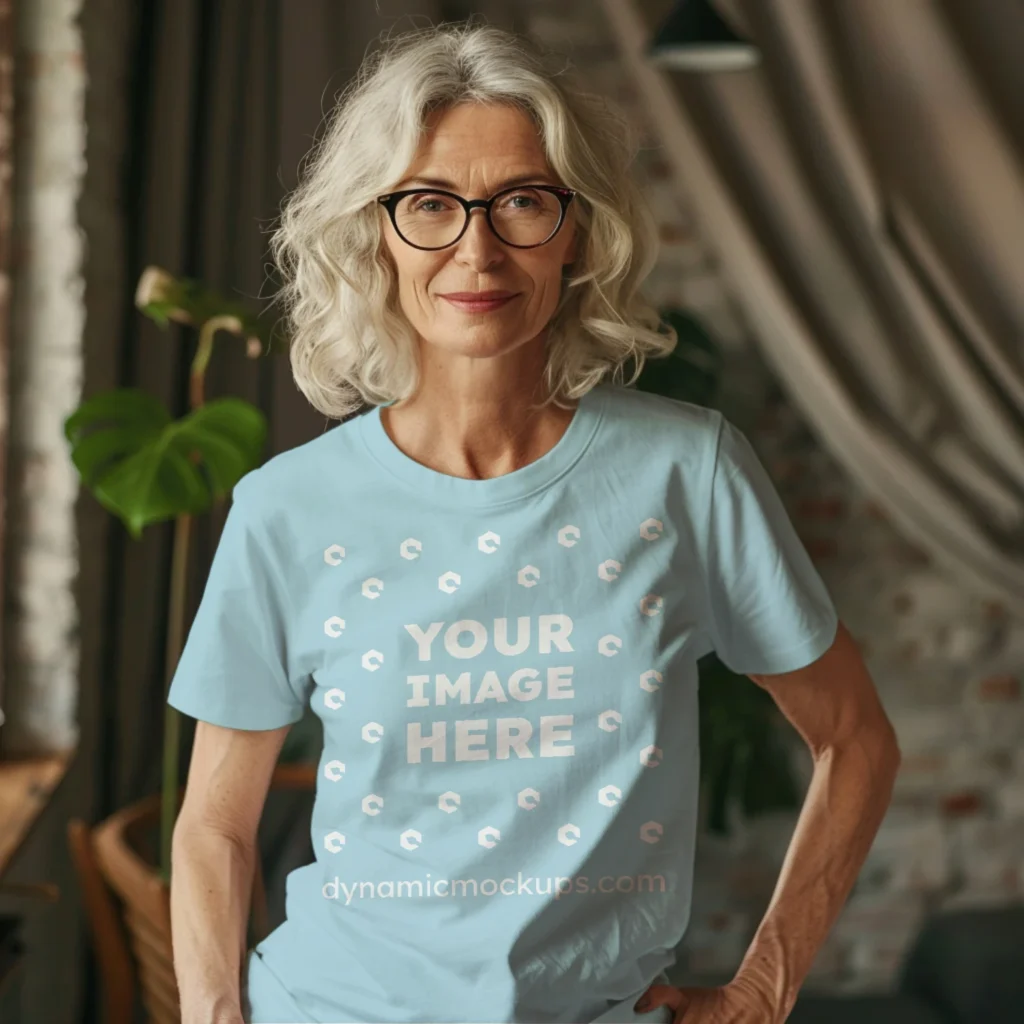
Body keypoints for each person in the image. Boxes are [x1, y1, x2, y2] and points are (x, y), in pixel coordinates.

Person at [166, 19, 900, 1024]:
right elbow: (214, 826)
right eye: (429, 203)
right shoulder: (287, 510)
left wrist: (766, 985)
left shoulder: (686, 472)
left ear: (579, 232)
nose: (476, 248)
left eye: (521, 201)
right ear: (377, 233)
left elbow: (855, 738)